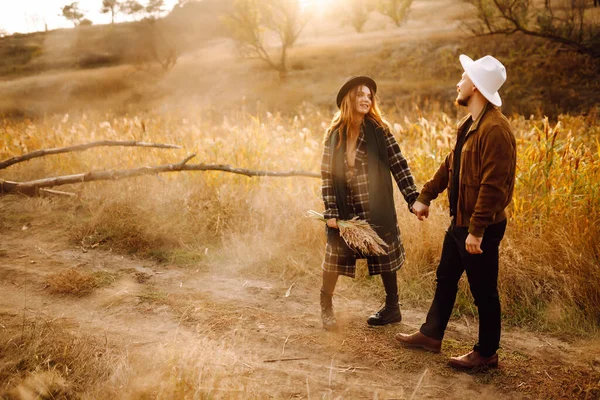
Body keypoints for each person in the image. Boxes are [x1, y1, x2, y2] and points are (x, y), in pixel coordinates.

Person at [396, 55, 516, 370]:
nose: (458, 83)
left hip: (481, 225)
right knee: (446, 277)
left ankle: (487, 354)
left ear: (474, 86)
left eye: (463, 78)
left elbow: (493, 186)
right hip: (460, 222)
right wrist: (425, 196)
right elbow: (451, 166)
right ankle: (431, 335)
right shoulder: (469, 124)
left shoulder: (496, 130)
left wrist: (476, 231)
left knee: (483, 291)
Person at [320, 76, 419, 331]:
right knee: (334, 258)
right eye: (360, 95)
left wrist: (413, 198)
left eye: (369, 96)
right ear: (349, 100)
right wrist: (330, 212)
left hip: (376, 205)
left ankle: (392, 308)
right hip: (345, 210)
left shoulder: (379, 130)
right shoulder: (334, 136)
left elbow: (399, 164)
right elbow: (328, 176)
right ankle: (326, 306)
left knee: (384, 254)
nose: (366, 99)